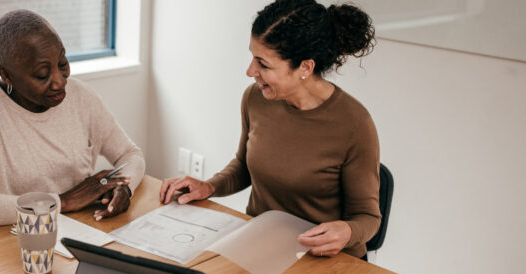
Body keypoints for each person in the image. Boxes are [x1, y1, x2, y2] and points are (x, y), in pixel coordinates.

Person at [160, 0, 379, 259]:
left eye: (263, 64)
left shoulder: (354, 124)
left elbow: (367, 218)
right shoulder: (256, 99)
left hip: (324, 260)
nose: (250, 71)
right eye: (252, 57)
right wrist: (209, 186)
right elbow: (243, 166)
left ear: (305, 68)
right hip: (263, 247)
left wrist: (347, 232)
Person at [0, 10, 145, 229]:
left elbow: (130, 154)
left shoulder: (82, 97)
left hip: (76, 230)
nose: (59, 82)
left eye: (62, 63)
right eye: (42, 74)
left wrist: (123, 187)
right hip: (9, 238)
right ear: (7, 75)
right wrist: (63, 201)